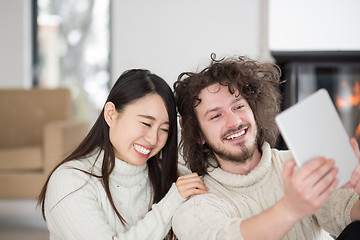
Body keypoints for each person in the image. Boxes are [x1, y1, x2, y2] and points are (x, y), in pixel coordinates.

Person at [171, 54, 360, 240]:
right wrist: (291, 207)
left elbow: (346, 211)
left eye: (238, 107)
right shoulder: (195, 203)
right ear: (199, 135)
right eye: (216, 116)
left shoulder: (299, 163)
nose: (234, 121)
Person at [38, 69, 208, 240]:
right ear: (111, 114)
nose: (152, 139)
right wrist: (170, 202)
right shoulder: (70, 181)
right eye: (146, 123)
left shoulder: (174, 178)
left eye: (164, 129)